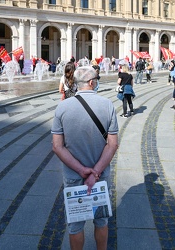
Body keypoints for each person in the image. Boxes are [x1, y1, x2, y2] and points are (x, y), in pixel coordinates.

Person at [51, 66, 119, 250]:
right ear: (92, 82)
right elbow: (112, 144)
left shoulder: (63, 107)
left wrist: (81, 170)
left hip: (73, 175)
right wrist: (95, 172)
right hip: (100, 175)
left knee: (75, 224)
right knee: (101, 221)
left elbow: (57, 146)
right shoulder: (107, 105)